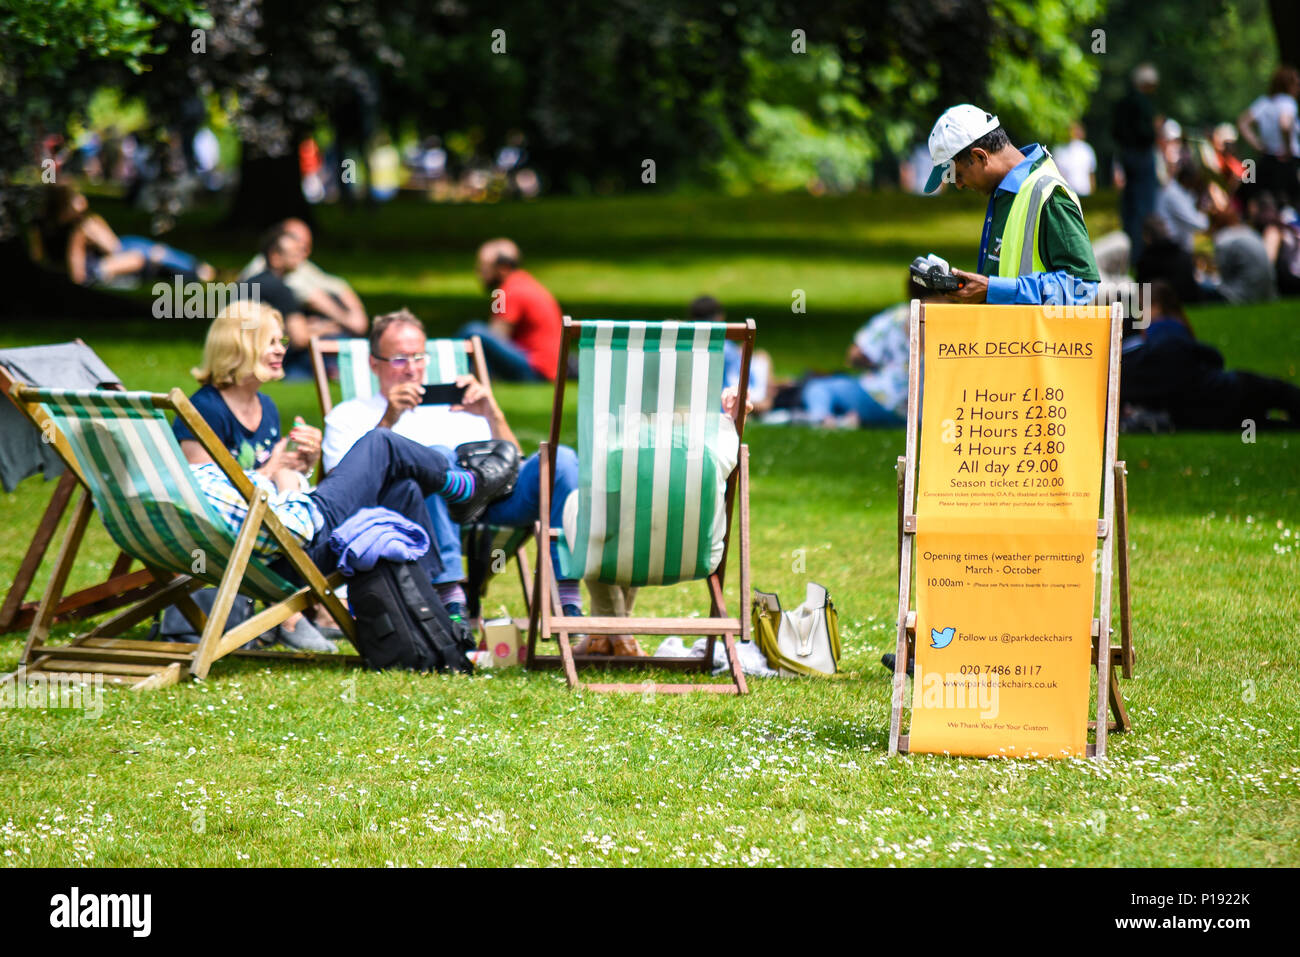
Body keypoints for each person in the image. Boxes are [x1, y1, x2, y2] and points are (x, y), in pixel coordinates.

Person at [176, 302, 519, 643]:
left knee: (406, 490)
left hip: (291, 535)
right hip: (282, 540)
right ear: (240, 346)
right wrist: (274, 467)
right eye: (272, 342)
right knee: (380, 442)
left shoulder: (265, 406)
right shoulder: (204, 409)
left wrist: (300, 465)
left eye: (281, 341)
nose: (283, 349)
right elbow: (203, 504)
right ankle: (462, 485)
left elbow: (263, 483)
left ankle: (428, 609)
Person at [320, 309, 588, 629]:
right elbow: (343, 488)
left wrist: (492, 414)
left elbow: (512, 463)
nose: (411, 368)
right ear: (373, 362)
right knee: (436, 458)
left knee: (562, 462)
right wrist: (389, 419)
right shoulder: (349, 414)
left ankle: (567, 596)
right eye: (399, 359)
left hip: (488, 504)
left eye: (418, 357)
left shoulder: (459, 405)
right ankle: (450, 596)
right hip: (413, 511)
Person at [922, 104, 1100, 305]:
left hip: (1036, 337)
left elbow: (1082, 286)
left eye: (958, 175)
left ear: (980, 156)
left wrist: (994, 289)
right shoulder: (1003, 193)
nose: (960, 185)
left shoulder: (1048, 194)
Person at [1121, 282, 1299, 430]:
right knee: (1278, 397)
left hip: (1210, 406)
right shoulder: (1169, 333)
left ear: (1156, 307)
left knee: (1268, 420)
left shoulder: (1163, 331)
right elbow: (1211, 356)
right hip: (1226, 392)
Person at [36, 185, 215, 286]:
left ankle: (196, 269)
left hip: (110, 254)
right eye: (76, 198)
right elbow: (110, 249)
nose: (83, 200)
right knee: (149, 254)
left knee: (152, 251)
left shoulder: (41, 226)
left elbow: (39, 258)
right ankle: (197, 269)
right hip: (98, 266)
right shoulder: (79, 229)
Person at [239, 218, 369, 338]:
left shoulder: (260, 278)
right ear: (276, 254)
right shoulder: (279, 288)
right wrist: (325, 328)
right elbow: (298, 338)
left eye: (305, 247)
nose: (302, 254)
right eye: (296, 250)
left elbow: (334, 283)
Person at [456, 238, 563, 381]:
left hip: (536, 369)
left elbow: (497, 335)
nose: (479, 274)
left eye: (484, 267)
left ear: (503, 267)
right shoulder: (522, 282)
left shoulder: (507, 292)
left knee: (473, 331)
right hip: (545, 366)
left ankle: (452, 372)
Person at [687, 296, 773, 412]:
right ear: (719, 317)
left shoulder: (684, 346)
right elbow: (737, 375)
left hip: (691, 405)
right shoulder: (724, 347)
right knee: (763, 356)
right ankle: (766, 403)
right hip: (726, 405)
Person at [1113, 64, 1162, 260]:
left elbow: (1116, 131)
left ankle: (1128, 252)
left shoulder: (1122, 102)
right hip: (1142, 157)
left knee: (1129, 206)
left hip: (1127, 156)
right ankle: (1141, 255)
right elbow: (1145, 133)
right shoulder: (1143, 104)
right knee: (1144, 207)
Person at [1238, 66, 1300, 209]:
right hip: (1287, 163)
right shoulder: (1288, 102)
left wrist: (1258, 145)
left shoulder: (1264, 103)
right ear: (1288, 85)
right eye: (1296, 84)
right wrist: (1288, 148)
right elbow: (1284, 124)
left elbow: (1243, 123)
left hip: (1267, 160)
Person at [1053, 122, 1097, 197]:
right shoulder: (1059, 150)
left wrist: (1093, 193)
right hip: (1067, 194)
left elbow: (1091, 173)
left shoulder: (1087, 149)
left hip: (1085, 192)